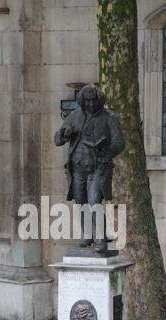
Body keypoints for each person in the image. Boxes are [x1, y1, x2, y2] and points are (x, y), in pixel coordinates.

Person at [54, 83, 125, 253]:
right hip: (77, 168)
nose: (91, 104)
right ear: (82, 101)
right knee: (80, 202)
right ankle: (87, 235)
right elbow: (57, 139)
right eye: (88, 101)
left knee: (94, 203)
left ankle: (101, 239)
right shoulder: (74, 116)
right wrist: (64, 135)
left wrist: (106, 151)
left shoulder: (110, 117)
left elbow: (119, 143)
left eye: (94, 101)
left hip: (97, 168)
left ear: (99, 100)